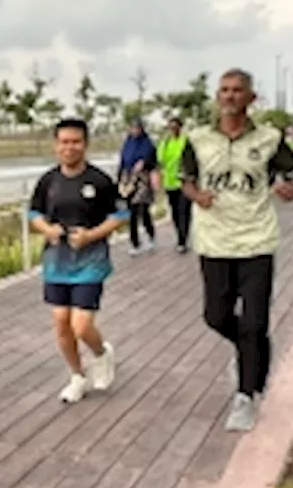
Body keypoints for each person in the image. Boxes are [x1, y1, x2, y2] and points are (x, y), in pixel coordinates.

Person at [179, 69, 293, 432]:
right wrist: (197, 195)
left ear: (251, 98)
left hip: (256, 241)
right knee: (216, 316)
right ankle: (252, 353)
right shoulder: (198, 139)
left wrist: (292, 188)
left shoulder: (269, 139)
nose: (230, 96)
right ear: (217, 97)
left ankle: (246, 394)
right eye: (224, 90)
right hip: (214, 242)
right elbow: (185, 181)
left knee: (254, 321)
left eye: (238, 91)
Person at [28, 118, 124, 403]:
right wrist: (48, 230)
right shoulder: (48, 181)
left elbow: (119, 215)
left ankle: (101, 353)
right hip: (56, 262)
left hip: (90, 262)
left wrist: (91, 235)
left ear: (85, 144)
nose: (69, 147)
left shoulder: (99, 181)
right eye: (64, 142)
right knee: (61, 322)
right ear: (56, 145)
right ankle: (77, 376)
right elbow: (34, 214)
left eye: (75, 142)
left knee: (80, 326)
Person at [117, 119, 158, 255]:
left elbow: (153, 162)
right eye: (132, 128)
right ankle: (135, 243)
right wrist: (119, 181)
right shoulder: (127, 144)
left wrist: (144, 163)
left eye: (137, 128)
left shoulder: (147, 144)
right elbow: (122, 162)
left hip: (142, 181)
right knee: (131, 212)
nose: (135, 131)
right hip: (128, 180)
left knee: (143, 210)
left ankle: (150, 236)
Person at [157, 117, 192, 253]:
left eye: (175, 127)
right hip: (169, 182)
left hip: (183, 182)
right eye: (170, 127)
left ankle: (182, 240)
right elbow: (160, 160)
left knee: (184, 211)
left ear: (180, 127)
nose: (173, 130)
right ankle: (179, 235)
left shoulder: (185, 141)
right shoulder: (165, 142)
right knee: (175, 212)